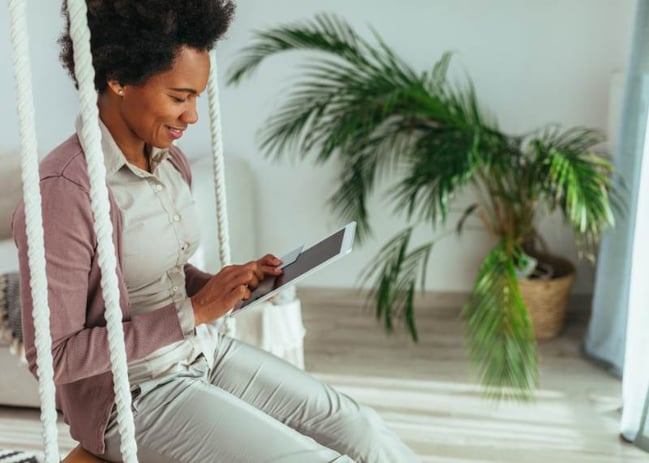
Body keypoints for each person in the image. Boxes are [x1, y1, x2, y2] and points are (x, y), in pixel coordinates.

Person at [12, 1, 420, 462]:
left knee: (362, 430)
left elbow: (153, 272)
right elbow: (55, 357)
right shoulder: (65, 190)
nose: (192, 117)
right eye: (179, 96)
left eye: (196, 98)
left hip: (200, 353)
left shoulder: (169, 162)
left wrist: (225, 286)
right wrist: (194, 311)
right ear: (119, 80)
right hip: (132, 397)